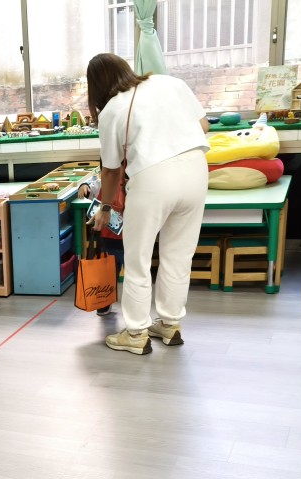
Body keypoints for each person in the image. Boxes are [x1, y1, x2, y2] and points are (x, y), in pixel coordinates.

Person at [86, 53, 209, 354]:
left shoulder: (111, 110)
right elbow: (203, 126)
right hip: (196, 170)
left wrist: (105, 208)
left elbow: (111, 171)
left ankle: (136, 333)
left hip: (153, 177)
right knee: (178, 256)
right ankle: (169, 324)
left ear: (95, 87)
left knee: (138, 259)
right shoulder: (170, 83)